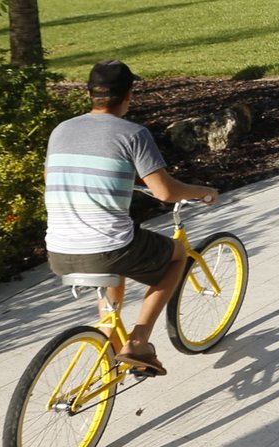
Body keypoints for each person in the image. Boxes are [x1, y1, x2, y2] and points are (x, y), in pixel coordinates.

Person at [44, 60, 219, 377]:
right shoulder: (133, 134)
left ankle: (109, 339)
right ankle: (138, 342)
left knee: (117, 256)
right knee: (176, 257)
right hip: (107, 249)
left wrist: (122, 180)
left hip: (58, 252)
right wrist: (200, 191)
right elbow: (165, 192)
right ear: (129, 95)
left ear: (89, 94)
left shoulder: (61, 130)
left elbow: (55, 177)